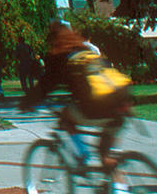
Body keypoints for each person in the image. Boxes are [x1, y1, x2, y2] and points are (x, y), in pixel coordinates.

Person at [21, 20, 133, 175]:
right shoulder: (88, 52)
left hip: (96, 106)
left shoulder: (61, 57)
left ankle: (83, 156)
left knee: (66, 118)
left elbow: (45, 86)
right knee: (107, 156)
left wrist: (26, 102)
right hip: (121, 102)